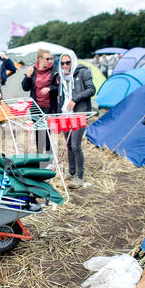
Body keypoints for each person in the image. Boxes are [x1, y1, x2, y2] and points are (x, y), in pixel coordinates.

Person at [52, 51, 95, 188]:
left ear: (73, 61)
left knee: (76, 146)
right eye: (63, 63)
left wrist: (75, 100)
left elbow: (91, 89)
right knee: (69, 144)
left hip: (78, 112)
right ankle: (71, 171)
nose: (65, 66)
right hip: (65, 113)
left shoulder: (83, 72)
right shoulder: (61, 76)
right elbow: (61, 95)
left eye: (68, 62)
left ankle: (79, 177)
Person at [22, 49, 58, 154]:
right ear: (40, 59)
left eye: (51, 58)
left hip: (49, 106)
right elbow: (25, 87)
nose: (50, 61)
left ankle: (48, 157)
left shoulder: (54, 70)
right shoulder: (33, 70)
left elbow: (58, 87)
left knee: (47, 132)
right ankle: (39, 154)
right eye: (47, 59)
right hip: (36, 106)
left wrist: (50, 88)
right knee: (38, 132)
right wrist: (28, 76)